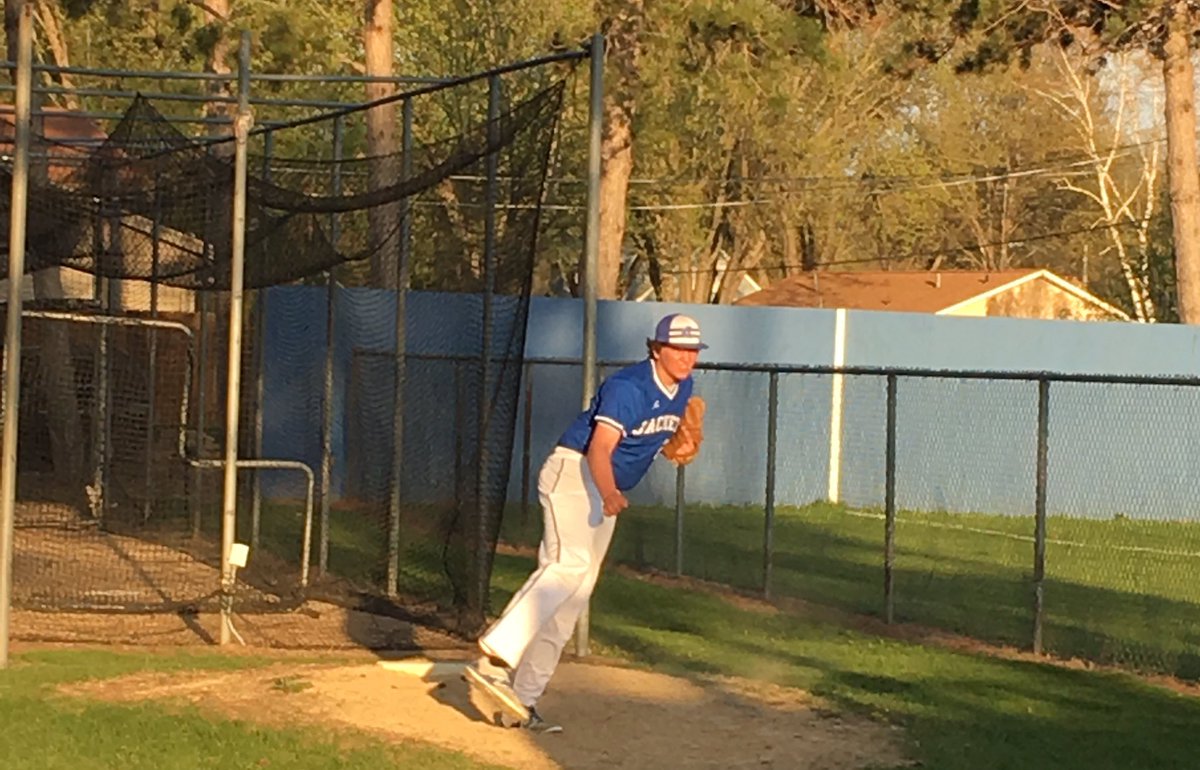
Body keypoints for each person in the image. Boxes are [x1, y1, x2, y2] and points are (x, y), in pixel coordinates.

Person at [464, 313, 708, 734]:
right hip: (575, 475)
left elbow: (656, 429)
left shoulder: (683, 386)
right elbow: (600, 449)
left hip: (602, 489)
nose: (686, 358)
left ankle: (520, 703)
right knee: (568, 565)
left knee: (573, 599)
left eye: (692, 350)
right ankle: (495, 656)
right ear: (656, 348)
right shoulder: (627, 387)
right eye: (678, 348)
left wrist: (674, 438)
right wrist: (611, 492)